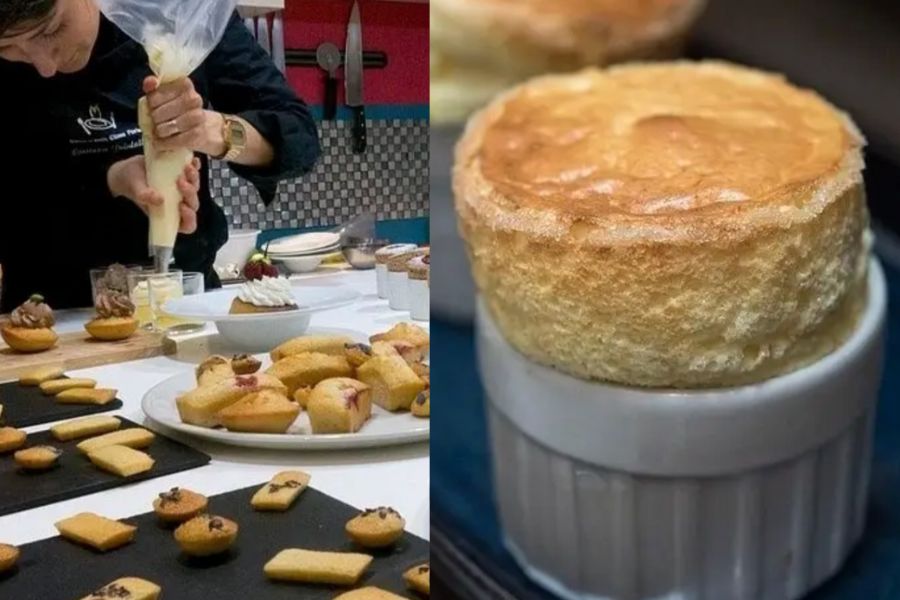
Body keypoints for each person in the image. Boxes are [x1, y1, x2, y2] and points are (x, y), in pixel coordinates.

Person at [0, 0, 320, 312]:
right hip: (45, 317)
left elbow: (299, 140)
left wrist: (211, 131)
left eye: (51, 30)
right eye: (8, 48)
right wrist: (112, 179)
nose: (44, 65)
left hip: (188, 301)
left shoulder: (178, 13)